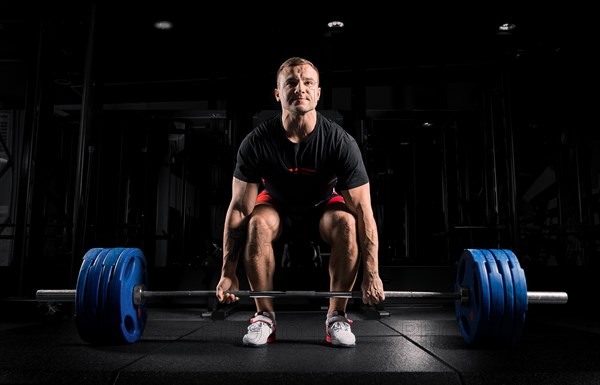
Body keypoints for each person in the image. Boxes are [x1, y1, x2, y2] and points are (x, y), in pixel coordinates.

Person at [216, 57, 385, 347]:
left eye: (308, 83)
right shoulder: (256, 142)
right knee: (256, 222)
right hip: (276, 206)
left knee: (347, 221)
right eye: (291, 82)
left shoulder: (340, 142)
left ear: (318, 93)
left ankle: (337, 317)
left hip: (322, 206)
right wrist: (227, 273)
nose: (300, 89)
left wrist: (372, 273)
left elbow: (364, 212)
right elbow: (240, 208)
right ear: (278, 93)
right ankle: (264, 318)